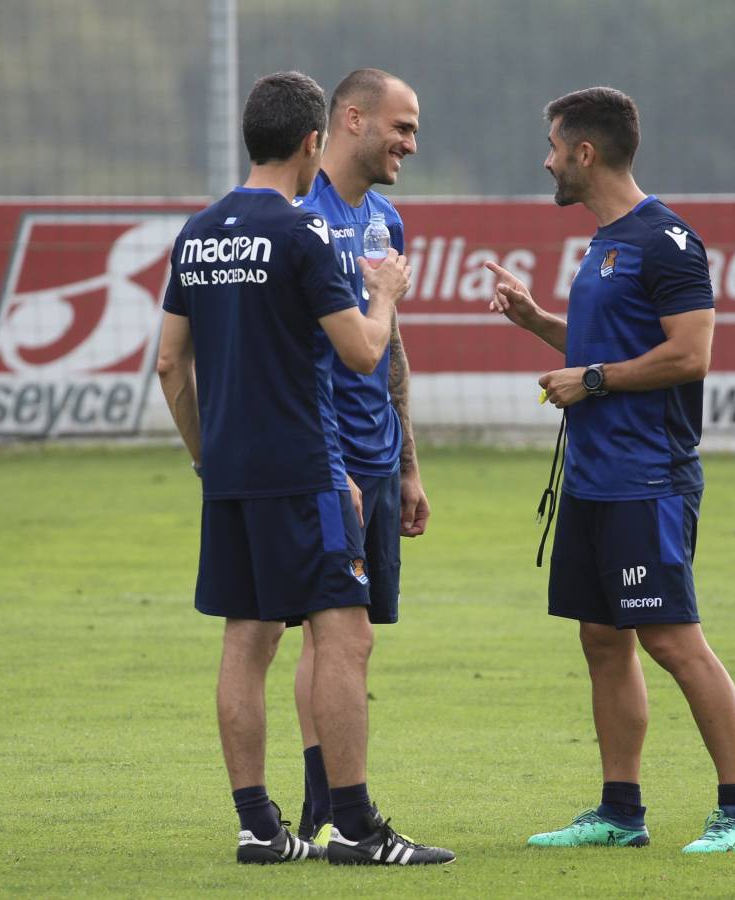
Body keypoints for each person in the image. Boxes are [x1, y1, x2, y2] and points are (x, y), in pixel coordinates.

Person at [155, 70, 453, 866]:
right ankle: (355, 827)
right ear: (313, 141)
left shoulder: (198, 233)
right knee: (345, 637)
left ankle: (260, 828)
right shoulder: (306, 235)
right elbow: (362, 350)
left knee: (246, 640)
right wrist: (384, 292)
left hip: (232, 476)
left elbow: (168, 366)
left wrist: (203, 455)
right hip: (311, 470)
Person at [486, 86, 735, 854]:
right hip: (592, 477)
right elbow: (598, 355)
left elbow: (690, 354)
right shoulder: (602, 243)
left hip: (649, 477)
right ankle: (620, 813)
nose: (545, 159)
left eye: (553, 145)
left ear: (585, 152)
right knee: (602, 639)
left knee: (674, 641)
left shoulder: (666, 241)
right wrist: (539, 322)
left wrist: (596, 381)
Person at [289, 68, 428, 848]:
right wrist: (324, 462)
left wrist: (407, 462)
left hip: (376, 458)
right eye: (401, 127)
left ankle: (325, 809)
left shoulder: (384, 220)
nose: (410, 143)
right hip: (326, 459)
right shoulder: (300, 216)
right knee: (333, 633)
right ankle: (333, 809)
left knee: (344, 634)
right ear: (351, 118)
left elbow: (390, 344)